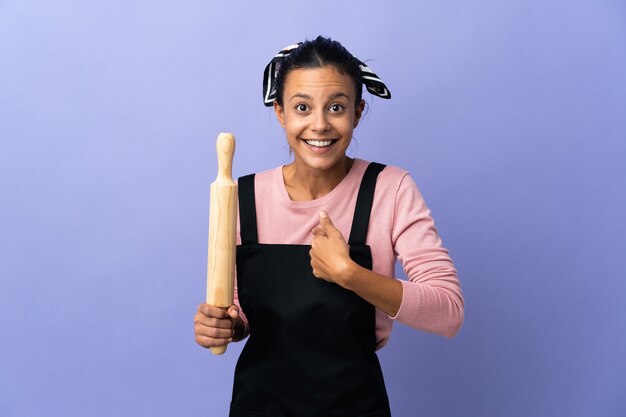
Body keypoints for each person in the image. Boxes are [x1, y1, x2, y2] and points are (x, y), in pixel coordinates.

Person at [194, 36, 464, 417]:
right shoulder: (244, 196)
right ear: (281, 113)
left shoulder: (390, 189)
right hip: (259, 407)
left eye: (336, 107)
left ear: (357, 112)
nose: (319, 124)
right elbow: (238, 312)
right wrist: (224, 326)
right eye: (302, 107)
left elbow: (448, 312)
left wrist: (349, 274)